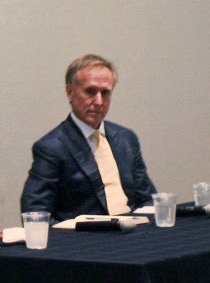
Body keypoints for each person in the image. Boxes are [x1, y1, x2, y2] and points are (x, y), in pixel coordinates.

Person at [20, 54, 157, 222]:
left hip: (134, 232)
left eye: (105, 93)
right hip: (85, 240)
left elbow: (147, 198)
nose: (99, 101)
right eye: (90, 91)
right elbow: (35, 213)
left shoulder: (126, 139)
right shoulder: (52, 147)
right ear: (70, 93)